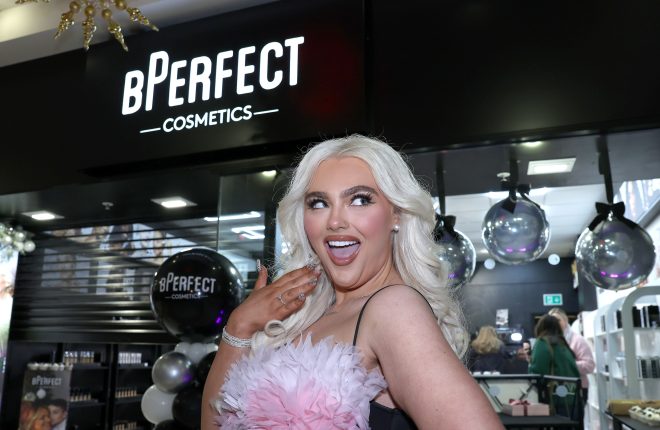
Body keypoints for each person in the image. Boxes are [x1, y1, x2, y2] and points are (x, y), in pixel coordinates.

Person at [201, 135, 502, 429]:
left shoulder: (394, 309)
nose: (335, 221)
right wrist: (239, 326)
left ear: (397, 214)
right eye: (319, 203)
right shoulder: (303, 316)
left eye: (359, 200)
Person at [548, 307, 595, 401]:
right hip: (556, 387)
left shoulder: (577, 340)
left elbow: (589, 365)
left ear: (565, 320)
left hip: (577, 387)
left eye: (558, 320)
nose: (555, 323)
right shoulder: (549, 341)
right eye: (552, 320)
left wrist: (566, 364)